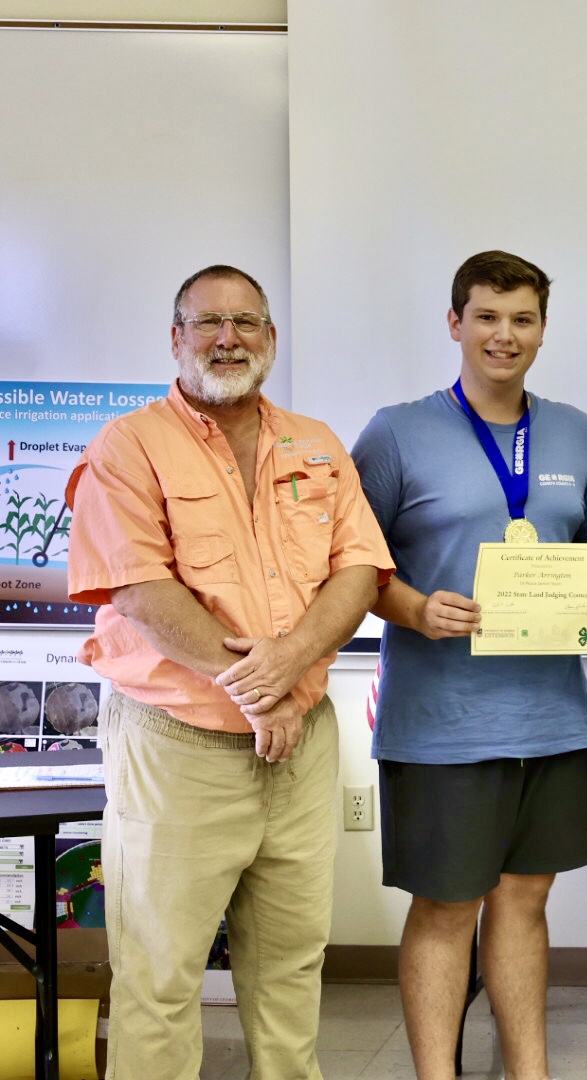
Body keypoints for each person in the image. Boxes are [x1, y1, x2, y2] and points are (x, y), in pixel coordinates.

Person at [66, 264, 394, 1078]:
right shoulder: (129, 446)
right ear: (175, 338)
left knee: (289, 972)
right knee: (162, 976)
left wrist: (286, 671)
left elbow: (358, 571)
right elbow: (142, 591)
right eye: (207, 323)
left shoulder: (316, 443)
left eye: (246, 323)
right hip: (179, 747)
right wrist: (258, 690)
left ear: (271, 340)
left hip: (301, 745)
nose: (227, 338)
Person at [351, 250, 587, 1080]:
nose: (504, 335)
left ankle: (528, 1073)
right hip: (441, 721)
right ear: (455, 323)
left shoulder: (572, 430)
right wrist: (414, 609)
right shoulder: (397, 431)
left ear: (542, 328)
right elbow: (352, 568)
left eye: (522, 319)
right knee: (444, 908)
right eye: (487, 317)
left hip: (549, 713)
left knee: (526, 903)